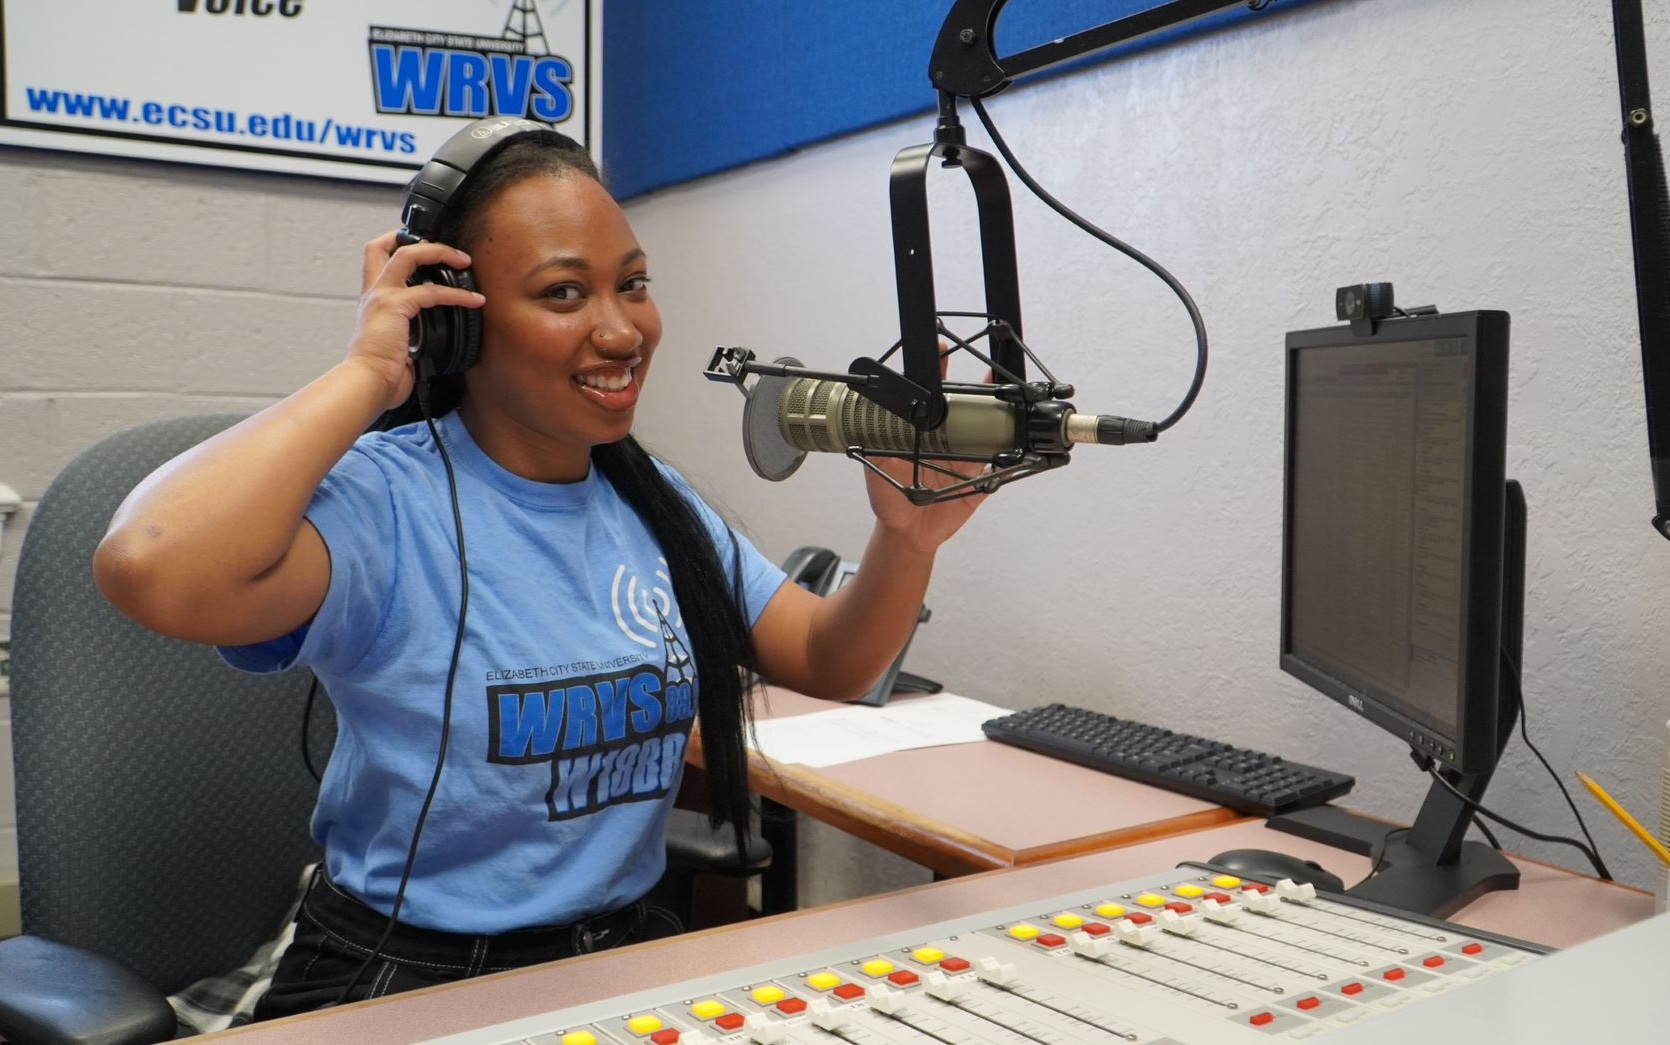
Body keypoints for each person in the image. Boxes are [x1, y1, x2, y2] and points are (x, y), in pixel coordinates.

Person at [91, 121, 983, 1016]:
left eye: (632, 285)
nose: (621, 329)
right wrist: (368, 368)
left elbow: (834, 659)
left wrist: (906, 540)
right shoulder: (383, 502)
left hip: (616, 959)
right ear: (454, 325)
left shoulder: (655, 503)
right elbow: (149, 563)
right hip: (405, 972)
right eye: (564, 293)